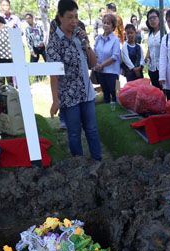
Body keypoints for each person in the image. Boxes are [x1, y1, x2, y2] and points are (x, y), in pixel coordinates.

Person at [47, 0, 102, 161]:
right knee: (74, 133)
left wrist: (87, 45)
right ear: (60, 17)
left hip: (87, 93)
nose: (74, 21)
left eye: (76, 17)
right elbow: (53, 74)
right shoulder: (54, 43)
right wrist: (55, 100)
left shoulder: (80, 35)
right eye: (70, 17)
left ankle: (98, 161)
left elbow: (93, 63)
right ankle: (79, 165)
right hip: (69, 96)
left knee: (92, 129)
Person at [93, 13, 121, 104]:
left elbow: (115, 57)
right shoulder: (98, 39)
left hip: (113, 72)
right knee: (105, 94)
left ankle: (117, 113)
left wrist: (102, 65)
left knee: (116, 94)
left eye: (108, 23)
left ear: (113, 26)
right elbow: (94, 53)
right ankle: (107, 112)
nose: (105, 25)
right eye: (104, 23)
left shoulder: (115, 40)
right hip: (101, 72)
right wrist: (96, 64)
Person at [144, 9, 162, 88]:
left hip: (161, 68)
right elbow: (150, 48)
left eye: (154, 17)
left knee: (163, 92)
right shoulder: (150, 34)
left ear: (159, 18)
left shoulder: (163, 33)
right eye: (150, 18)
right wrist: (147, 57)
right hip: (152, 68)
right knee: (155, 92)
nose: (152, 20)